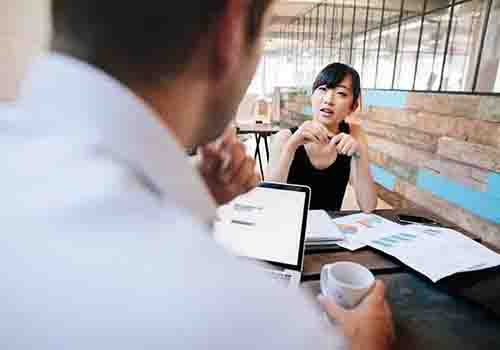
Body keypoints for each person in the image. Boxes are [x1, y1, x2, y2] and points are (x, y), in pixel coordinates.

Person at [2, 1, 393, 350]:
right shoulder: (261, 321)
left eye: (340, 93)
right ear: (231, 28)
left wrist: (191, 195)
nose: (328, 99)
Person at [266, 63, 377, 212]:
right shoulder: (285, 137)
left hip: (329, 231)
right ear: (312, 97)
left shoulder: (354, 134)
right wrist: (291, 147)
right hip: (288, 229)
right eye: (323, 89)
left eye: (341, 93)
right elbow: (268, 201)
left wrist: (360, 156)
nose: (329, 99)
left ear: (353, 106)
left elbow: (368, 206)